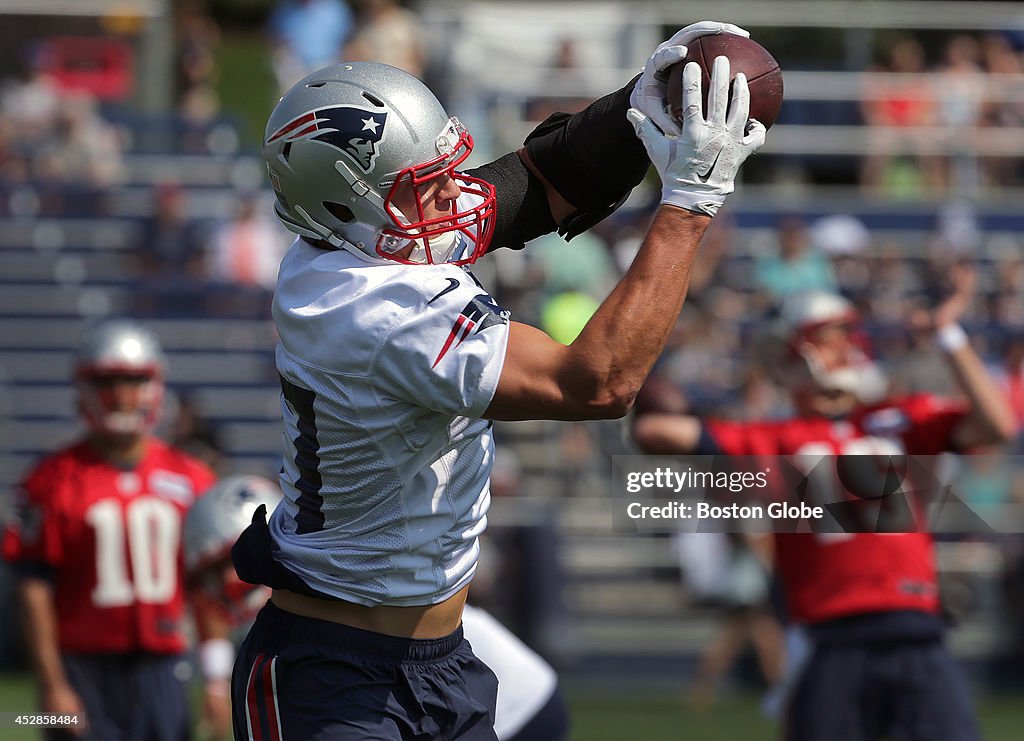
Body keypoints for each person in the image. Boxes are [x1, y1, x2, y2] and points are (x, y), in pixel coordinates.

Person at [230, 20, 766, 740]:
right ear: (345, 207)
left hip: (442, 657)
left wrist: (635, 108)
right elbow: (597, 382)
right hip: (334, 672)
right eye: (426, 186)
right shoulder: (370, 305)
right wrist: (690, 202)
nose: (452, 195)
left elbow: (527, 189)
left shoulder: (361, 237)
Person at [631, 268, 1016, 741]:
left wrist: (947, 334)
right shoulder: (772, 436)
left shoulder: (897, 420)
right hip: (833, 637)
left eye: (845, 336)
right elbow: (656, 433)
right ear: (794, 354)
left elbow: (997, 424)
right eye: (829, 338)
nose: (846, 348)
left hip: (917, 629)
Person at [185, 475, 569, 741]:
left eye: (224, 566)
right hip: (465, 689)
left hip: (517, 703)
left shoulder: (320, 599)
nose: (223, 584)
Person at [2, 319, 218, 740]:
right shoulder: (49, 481)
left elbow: (206, 586)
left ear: (154, 386)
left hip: (165, 669)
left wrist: (214, 676)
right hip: (81, 669)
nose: (120, 394)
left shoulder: (190, 477)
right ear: (84, 388)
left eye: (133, 380)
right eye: (107, 381)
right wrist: (51, 685)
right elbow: (33, 587)